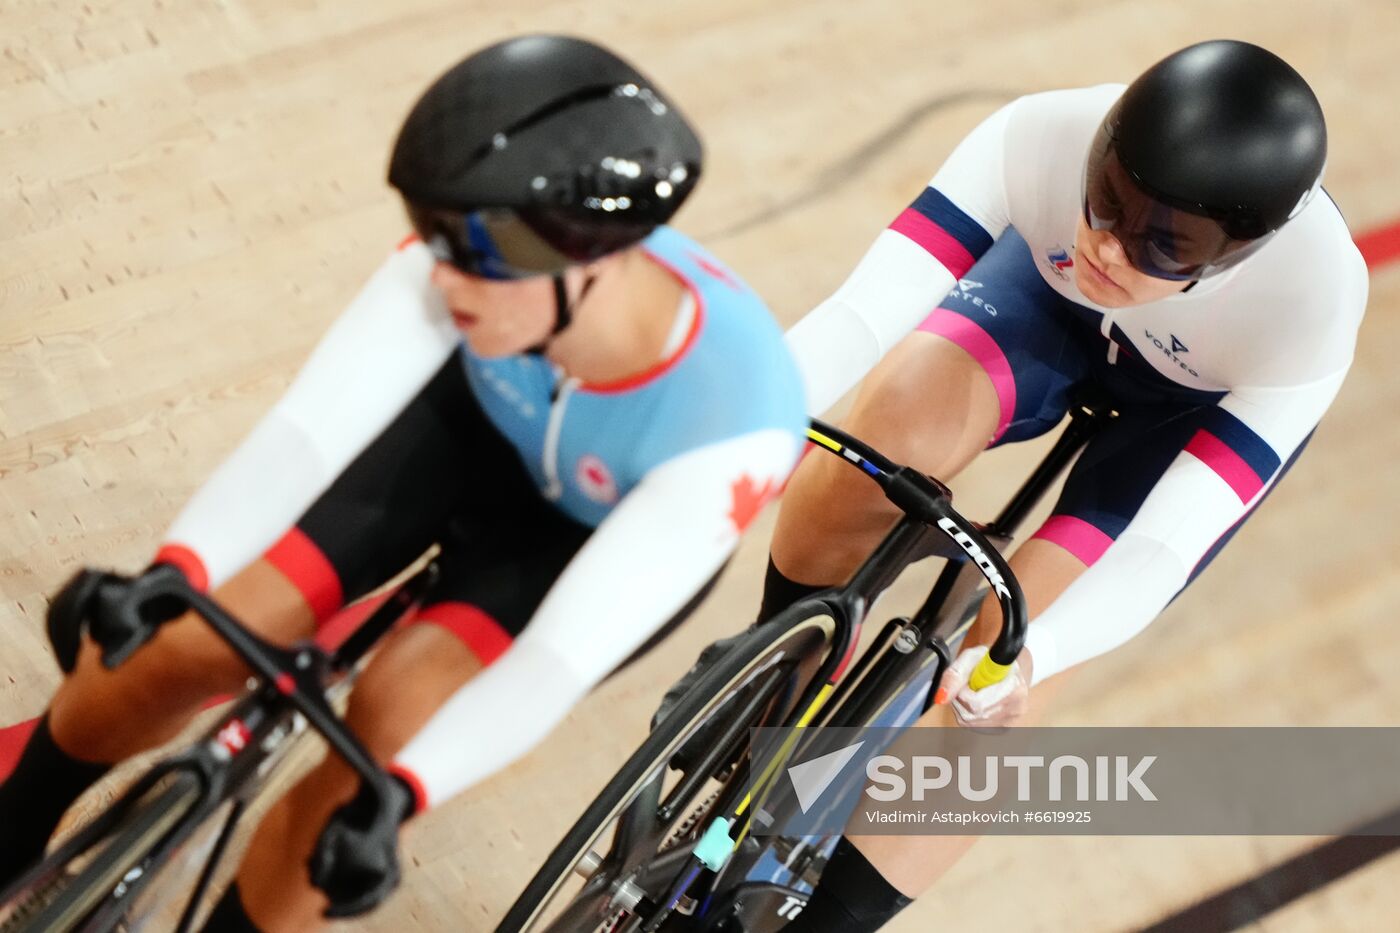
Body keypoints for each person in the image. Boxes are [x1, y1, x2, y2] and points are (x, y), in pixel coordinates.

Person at [0, 34, 807, 931]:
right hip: (466, 431)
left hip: (576, 542)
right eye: (431, 232)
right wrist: (177, 566)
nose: (441, 271)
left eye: (472, 253)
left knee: (380, 745)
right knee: (184, 639)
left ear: (597, 262)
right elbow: (304, 438)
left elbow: (551, 662)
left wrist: (405, 789)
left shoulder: (732, 430)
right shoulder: (474, 265)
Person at [741, 39, 1365, 931]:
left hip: (1183, 419)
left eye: (1164, 244)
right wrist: (753, 411)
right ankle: (768, 684)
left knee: (1009, 664)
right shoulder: (1044, 134)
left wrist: (1032, 657)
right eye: (1108, 198)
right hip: (1043, 305)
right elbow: (861, 314)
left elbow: (1161, 546)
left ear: (1237, 256)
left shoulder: (1312, 305)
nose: (1109, 245)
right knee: (876, 442)